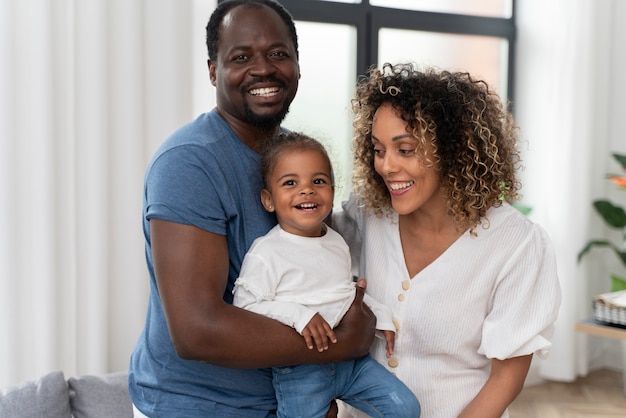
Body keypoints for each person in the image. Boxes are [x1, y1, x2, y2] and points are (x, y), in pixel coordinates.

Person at [127, 1, 376, 417]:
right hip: (194, 407)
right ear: (213, 71)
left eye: (278, 54)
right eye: (241, 57)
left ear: (297, 65)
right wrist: (340, 342)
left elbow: (313, 277)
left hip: (289, 399)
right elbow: (197, 332)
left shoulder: (297, 161)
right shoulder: (188, 164)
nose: (263, 69)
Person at [334, 63, 562, 418]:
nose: (386, 166)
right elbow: (307, 243)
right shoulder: (369, 214)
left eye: (405, 149)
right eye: (378, 150)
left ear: (454, 150)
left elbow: (506, 378)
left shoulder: (515, 243)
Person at [232, 131, 421, 418]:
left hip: (351, 363)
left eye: (318, 181)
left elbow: (342, 293)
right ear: (269, 200)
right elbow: (244, 308)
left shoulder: (336, 241)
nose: (306, 190)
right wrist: (299, 315)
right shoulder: (266, 252)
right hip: (301, 372)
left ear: (332, 191)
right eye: (290, 183)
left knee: (405, 408)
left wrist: (379, 314)